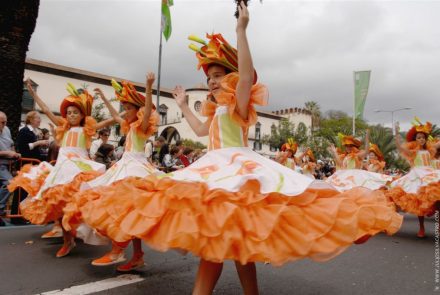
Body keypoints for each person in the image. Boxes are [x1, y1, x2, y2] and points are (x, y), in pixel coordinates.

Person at [81, 4, 402, 294]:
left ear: (232, 79)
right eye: (210, 78)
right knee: (231, 242)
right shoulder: (215, 111)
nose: (212, 82)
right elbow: (199, 131)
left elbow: (247, 75)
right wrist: (182, 105)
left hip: (239, 170)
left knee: (228, 240)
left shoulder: (239, 104)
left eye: (219, 76)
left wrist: (241, 30)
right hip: (213, 168)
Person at [63, 73, 161, 272]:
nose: (125, 112)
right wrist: (106, 98)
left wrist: (149, 86)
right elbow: (116, 117)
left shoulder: (142, 126)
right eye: (124, 108)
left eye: (128, 108)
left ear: (139, 110)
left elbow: (148, 108)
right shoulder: (129, 125)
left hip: (136, 167)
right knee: (125, 209)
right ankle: (137, 255)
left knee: (124, 207)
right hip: (124, 164)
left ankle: (118, 250)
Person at [8, 80, 114, 257]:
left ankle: (80, 232)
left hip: (80, 169)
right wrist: (33, 95)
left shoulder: (87, 128)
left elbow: (113, 119)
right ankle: (67, 240)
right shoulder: (63, 127)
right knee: (56, 203)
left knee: (79, 203)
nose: (71, 115)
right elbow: (47, 111)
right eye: (69, 112)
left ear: (82, 114)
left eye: (75, 112)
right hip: (62, 169)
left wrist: (118, 106)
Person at [387, 120, 440, 238]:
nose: (421, 139)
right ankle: (421, 227)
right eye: (419, 137)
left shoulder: (430, 150)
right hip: (417, 176)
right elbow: (400, 147)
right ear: (415, 139)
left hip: (430, 174)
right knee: (418, 201)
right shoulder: (413, 153)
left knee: (437, 197)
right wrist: (396, 133)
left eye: (423, 137)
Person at [326, 132, 392, 192]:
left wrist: (367, 139)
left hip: (356, 178)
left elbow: (366, 151)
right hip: (345, 178)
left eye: (350, 146)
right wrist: (334, 152)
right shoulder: (345, 157)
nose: (348, 148)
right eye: (346, 146)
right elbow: (340, 164)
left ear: (354, 147)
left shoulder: (358, 155)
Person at [0, 111, 21, 226]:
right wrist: (7, 153)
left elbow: (11, 143)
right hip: (1, 164)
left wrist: (14, 153)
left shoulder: (6, 129)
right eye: (2, 122)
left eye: (6, 121)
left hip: (6, 164)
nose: (5, 124)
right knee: (10, 182)